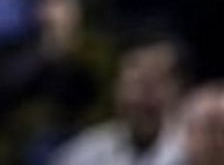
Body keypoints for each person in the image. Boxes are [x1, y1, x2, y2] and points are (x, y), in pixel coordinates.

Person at [53, 32, 191, 165]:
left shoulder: (195, 153)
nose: (144, 98)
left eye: (156, 82)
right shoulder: (82, 153)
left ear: (181, 89)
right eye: (136, 83)